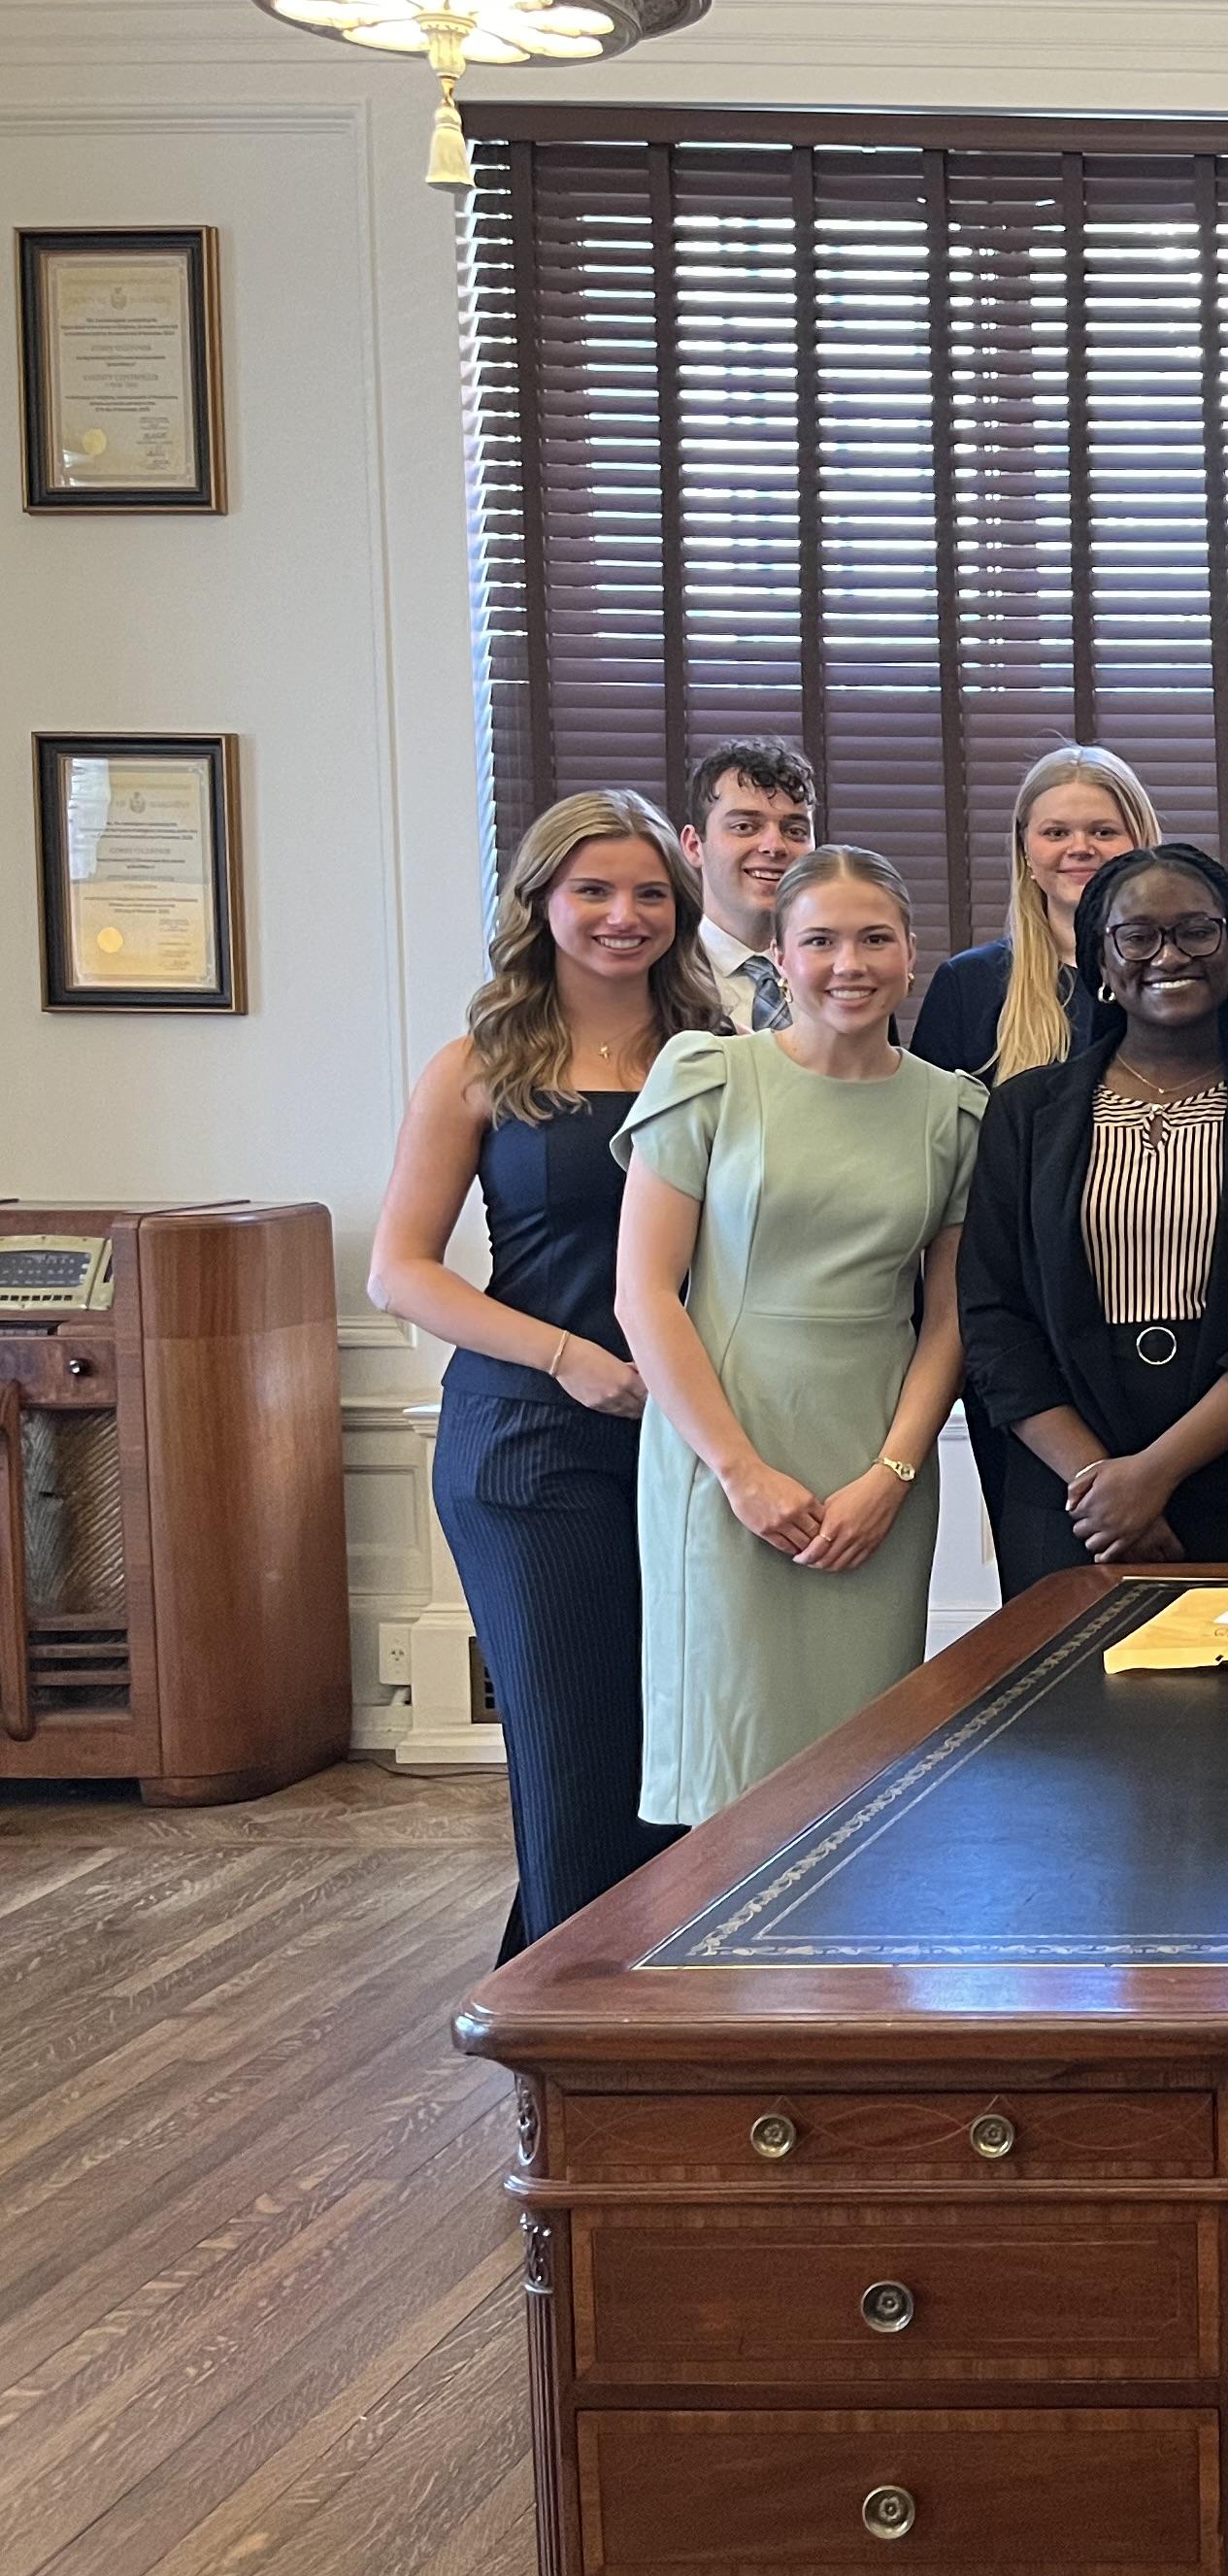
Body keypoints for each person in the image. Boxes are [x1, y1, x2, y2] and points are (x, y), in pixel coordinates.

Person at [372, 791, 722, 1954]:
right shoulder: (478, 1065)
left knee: (672, 1750)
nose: (624, 916)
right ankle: (570, 2043)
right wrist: (571, 1359)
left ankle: (655, 2020)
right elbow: (400, 1275)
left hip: (687, 1443)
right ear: (539, 903)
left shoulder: (719, 1056)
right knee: (573, 1752)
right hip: (531, 1444)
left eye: (649, 895)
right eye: (593, 891)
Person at [614, 847, 987, 1826]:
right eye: (818, 940)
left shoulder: (952, 1111)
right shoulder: (708, 1076)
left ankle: (848, 1977)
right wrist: (739, 1472)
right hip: (724, 1453)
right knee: (730, 1765)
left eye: (874, 939)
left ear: (912, 956)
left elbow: (949, 1316)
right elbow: (645, 1294)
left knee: (862, 1771)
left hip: (875, 1460)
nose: (848, 963)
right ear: (779, 958)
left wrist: (891, 1477)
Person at [958, 845, 1228, 1585]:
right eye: (1136, 936)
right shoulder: (1026, 1112)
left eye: (1195, 932)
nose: (1168, 954)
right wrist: (1106, 1484)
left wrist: (1155, 1474)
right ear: (1102, 965)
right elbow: (993, 1315)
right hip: (1071, 1497)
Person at [910, 745, 1158, 1081]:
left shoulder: (1184, 976)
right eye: (1057, 833)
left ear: (1141, 842)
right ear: (1025, 850)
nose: (1080, 848)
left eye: (1104, 832)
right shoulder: (968, 986)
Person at [677, 738, 817, 1033]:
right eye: (745, 827)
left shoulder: (844, 975)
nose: (774, 846)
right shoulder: (660, 976)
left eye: (794, 830)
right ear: (693, 846)